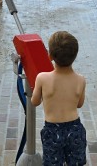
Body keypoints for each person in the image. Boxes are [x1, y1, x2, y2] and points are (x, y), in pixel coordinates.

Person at [31, 31, 87, 166]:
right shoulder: (80, 79)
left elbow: (35, 101)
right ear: (75, 56)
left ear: (49, 56)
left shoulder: (42, 78)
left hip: (52, 131)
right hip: (75, 129)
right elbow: (79, 104)